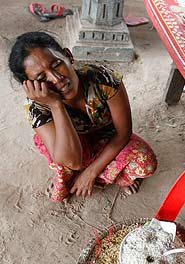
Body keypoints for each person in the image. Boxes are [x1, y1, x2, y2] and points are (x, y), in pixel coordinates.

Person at [8, 31, 158, 202]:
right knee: (63, 178)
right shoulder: (36, 107)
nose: (57, 79)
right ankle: (106, 175)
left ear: (68, 56)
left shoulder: (104, 79)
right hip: (71, 148)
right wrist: (56, 105)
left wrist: (90, 172)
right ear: (31, 86)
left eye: (57, 64)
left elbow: (123, 133)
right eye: (42, 78)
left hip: (106, 140)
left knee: (145, 162)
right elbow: (72, 161)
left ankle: (95, 175)